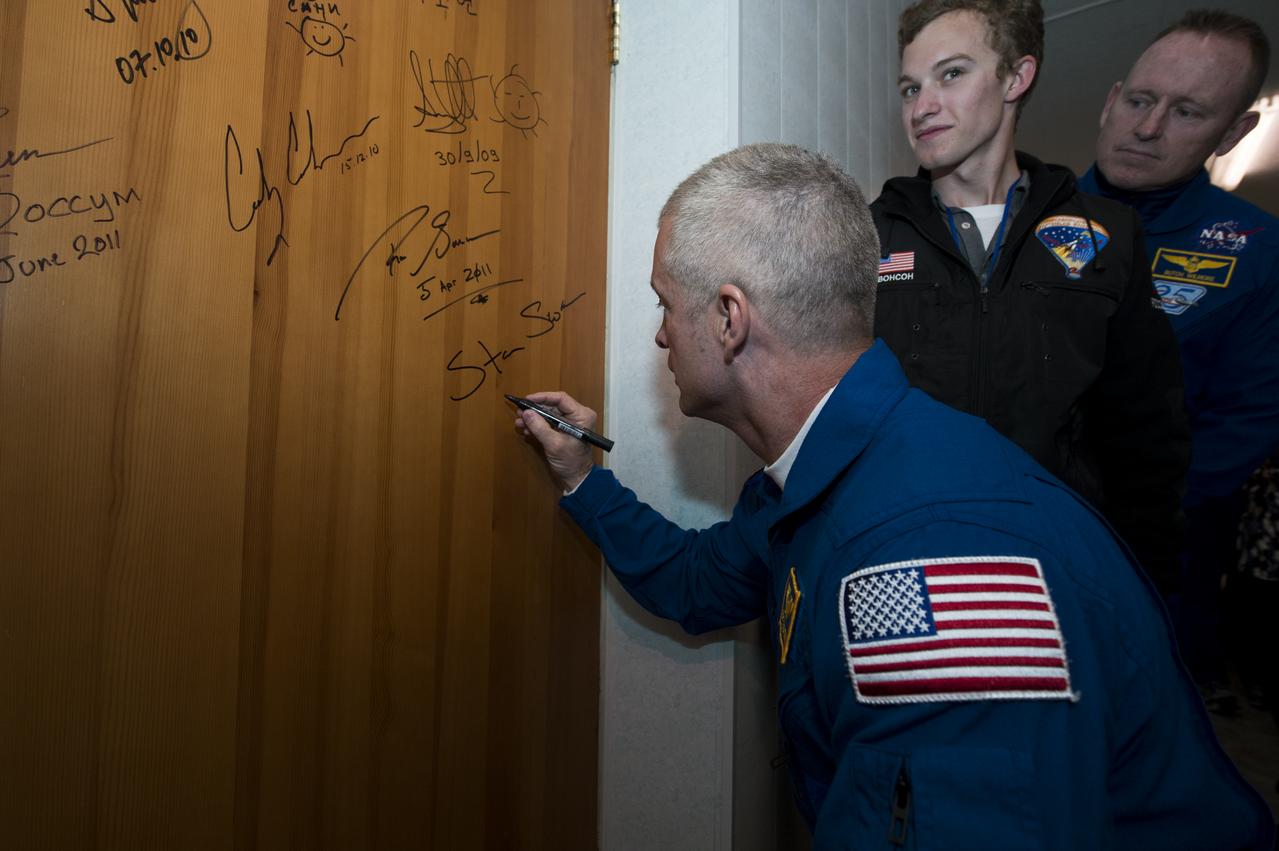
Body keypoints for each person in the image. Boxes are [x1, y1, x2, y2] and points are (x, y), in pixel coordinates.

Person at [512, 143, 1273, 849]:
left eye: (664, 305)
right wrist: (583, 476)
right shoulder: (838, 461)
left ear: (728, 318)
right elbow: (695, 580)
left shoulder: (935, 557)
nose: (660, 337)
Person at [871, 0, 1190, 592]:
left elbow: (1146, 433)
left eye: (952, 74)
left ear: (1017, 77)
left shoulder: (1108, 234)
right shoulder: (868, 237)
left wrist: (1146, 586)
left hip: (1063, 567)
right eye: (910, 88)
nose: (923, 106)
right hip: (906, 561)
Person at [1078, 9, 1279, 696]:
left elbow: (1246, 421)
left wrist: (1125, 518)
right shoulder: (1016, 217)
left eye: (1186, 112)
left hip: (1153, 570)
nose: (1147, 128)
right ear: (1110, 100)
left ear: (1233, 132)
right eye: (1138, 101)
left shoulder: (1256, 252)